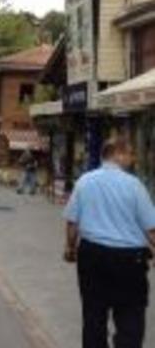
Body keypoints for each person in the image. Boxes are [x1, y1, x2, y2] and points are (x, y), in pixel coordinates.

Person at [63, 137, 155, 348]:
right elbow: (151, 228)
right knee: (130, 320)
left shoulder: (84, 181)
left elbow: (72, 222)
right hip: (129, 262)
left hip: (92, 257)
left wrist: (70, 248)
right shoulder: (134, 185)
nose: (133, 159)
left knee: (93, 317)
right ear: (118, 154)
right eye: (130, 154)